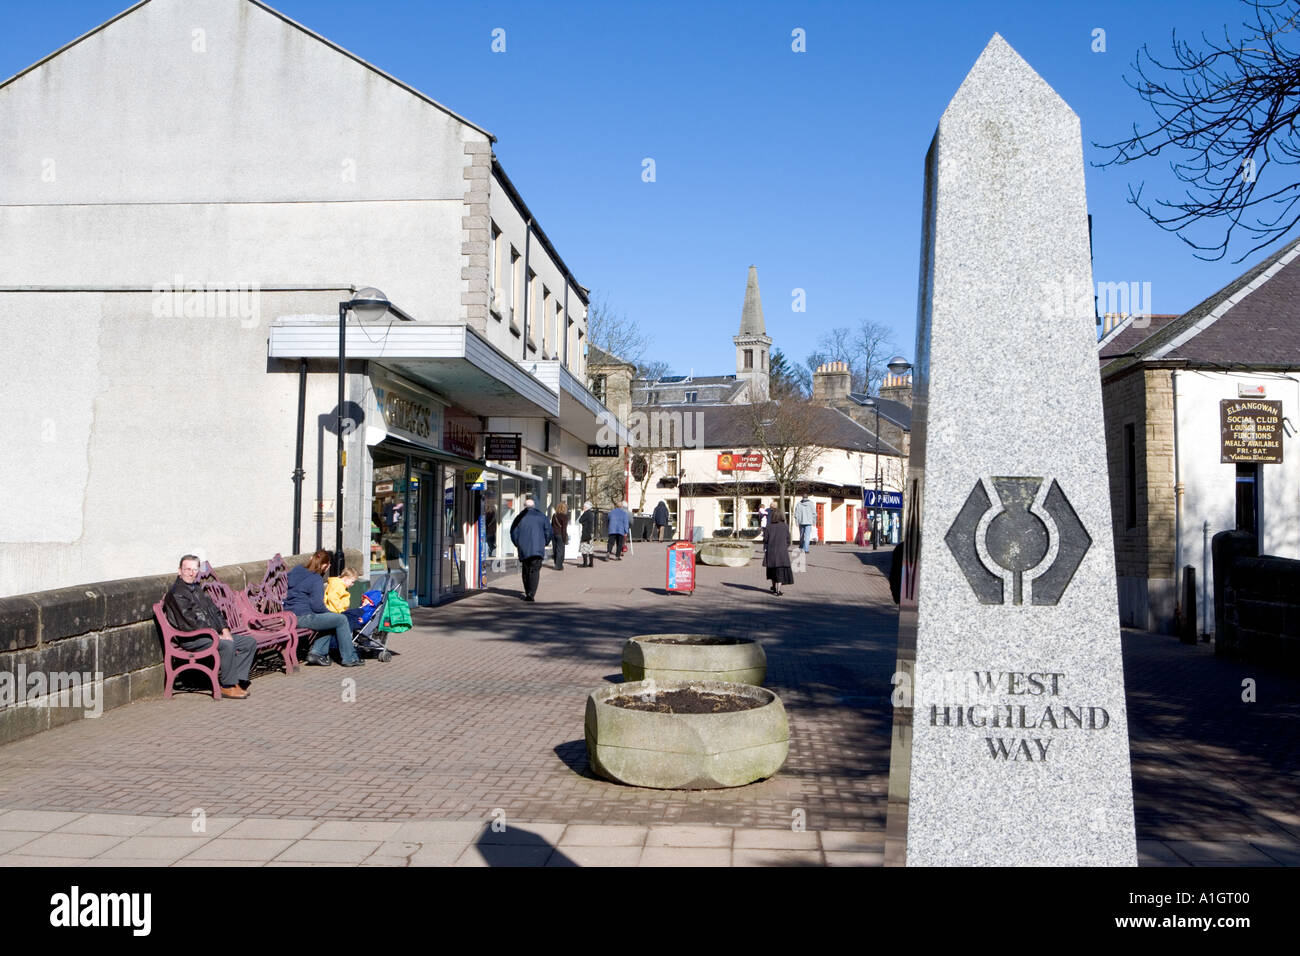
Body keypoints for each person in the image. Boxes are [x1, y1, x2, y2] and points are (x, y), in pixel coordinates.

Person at [163, 554, 258, 699]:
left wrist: (225, 631)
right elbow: (189, 622)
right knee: (227, 645)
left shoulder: (196, 589)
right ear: (179, 571)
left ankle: (236, 681)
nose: (191, 573)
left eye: (194, 570)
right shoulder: (177, 593)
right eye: (187, 569)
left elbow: (215, 611)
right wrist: (216, 635)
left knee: (249, 643)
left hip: (210, 634)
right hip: (193, 638)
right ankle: (227, 686)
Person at [286, 550, 363, 667]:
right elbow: (317, 606)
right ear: (324, 566)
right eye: (328, 566)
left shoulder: (297, 570)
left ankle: (317, 653)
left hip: (287, 615)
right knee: (340, 619)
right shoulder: (316, 579)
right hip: (302, 617)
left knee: (331, 619)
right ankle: (350, 657)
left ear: (311, 558)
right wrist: (330, 613)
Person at [511, 496, 552, 601]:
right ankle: (531, 593)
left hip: (524, 549)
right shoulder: (542, 516)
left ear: (525, 506)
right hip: (537, 549)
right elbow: (548, 532)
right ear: (534, 506)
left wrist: (518, 544)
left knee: (526, 570)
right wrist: (544, 542)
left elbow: (513, 532)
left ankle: (528, 591)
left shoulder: (519, 517)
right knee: (534, 571)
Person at [762, 505, 794, 596]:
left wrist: (766, 548)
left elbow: (766, 540)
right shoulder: (785, 526)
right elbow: (788, 540)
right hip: (782, 553)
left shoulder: (769, 527)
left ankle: (773, 587)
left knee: (772, 570)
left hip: (771, 552)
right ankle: (778, 590)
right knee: (780, 571)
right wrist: (784, 547)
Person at [326, 566, 365, 631]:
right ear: (345, 579)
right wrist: (341, 611)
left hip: (338, 611)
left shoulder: (341, 586)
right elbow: (332, 598)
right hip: (335, 612)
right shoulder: (337, 585)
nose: (352, 584)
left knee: (355, 615)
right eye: (352, 582)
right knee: (358, 612)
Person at [578, 500, 598, 567]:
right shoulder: (591, 514)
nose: (583, 507)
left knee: (584, 548)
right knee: (590, 548)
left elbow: (580, 520)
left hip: (586, 533)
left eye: (584, 506)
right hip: (590, 533)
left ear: (586, 507)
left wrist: (583, 515)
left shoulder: (586, 513)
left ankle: (585, 563)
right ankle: (591, 563)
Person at [551, 501, 569, 570]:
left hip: (554, 534)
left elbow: (552, 525)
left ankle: (557, 563)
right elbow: (564, 528)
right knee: (560, 550)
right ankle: (558, 565)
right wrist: (564, 538)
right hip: (560, 534)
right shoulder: (564, 516)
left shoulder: (554, 515)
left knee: (555, 549)